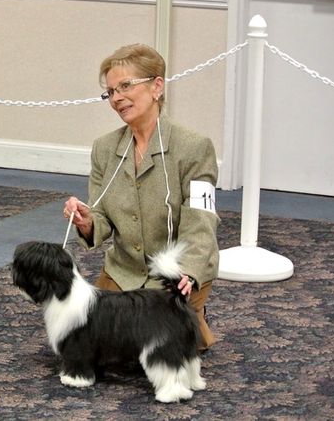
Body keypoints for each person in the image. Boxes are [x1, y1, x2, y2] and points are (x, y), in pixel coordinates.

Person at [63, 44, 220, 350]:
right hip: (123, 273)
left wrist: (188, 269)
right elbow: (101, 216)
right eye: (110, 92)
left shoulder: (195, 147)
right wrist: (85, 221)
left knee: (161, 348)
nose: (117, 98)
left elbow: (202, 222)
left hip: (175, 275)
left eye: (125, 86)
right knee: (93, 344)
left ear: (156, 87)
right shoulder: (104, 149)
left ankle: (196, 313)